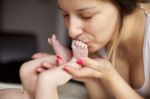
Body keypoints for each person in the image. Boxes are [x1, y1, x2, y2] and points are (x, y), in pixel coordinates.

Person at [19, 0, 150, 99]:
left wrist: (110, 76)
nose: (72, 31)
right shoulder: (97, 40)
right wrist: (86, 74)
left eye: (86, 16)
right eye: (65, 15)